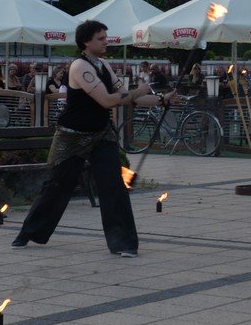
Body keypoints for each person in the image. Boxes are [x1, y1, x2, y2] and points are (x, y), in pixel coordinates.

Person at [12, 19, 167, 254]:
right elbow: (106, 100)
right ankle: (30, 232)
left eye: (106, 37)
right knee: (57, 186)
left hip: (101, 134)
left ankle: (124, 243)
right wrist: (138, 90)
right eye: (100, 38)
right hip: (72, 136)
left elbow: (127, 97)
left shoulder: (103, 65)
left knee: (113, 185)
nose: (106, 42)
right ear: (86, 42)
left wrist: (162, 100)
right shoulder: (79, 67)